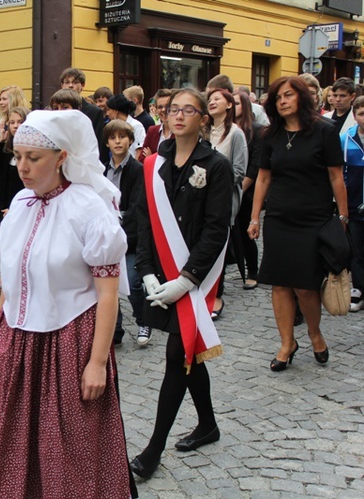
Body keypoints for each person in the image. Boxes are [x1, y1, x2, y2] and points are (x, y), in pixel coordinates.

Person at [0, 109, 134, 497]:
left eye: (34, 158)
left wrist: (97, 363)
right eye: (18, 157)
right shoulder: (20, 205)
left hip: (70, 343)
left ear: (62, 157)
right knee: (17, 439)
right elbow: (12, 283)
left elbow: (108, 294)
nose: (23, 167)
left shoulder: (89, 209)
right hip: (19, 338)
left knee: (72, 448)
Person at [130, 88, 232, 479]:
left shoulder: (216, 166)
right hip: (161, 276)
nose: (179, 116)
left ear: (204, 118)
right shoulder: (154, 163)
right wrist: (147, 270)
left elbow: (215, 230)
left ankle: (153, 450)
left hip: (196, 279)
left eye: (188, 110)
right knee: (188, 354)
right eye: (173, 110)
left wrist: (187, 280)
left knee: (177, 356)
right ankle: (207, 424)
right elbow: (143, 220)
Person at [248, 76, 347, 371]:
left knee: (305, 286)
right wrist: (255, 217)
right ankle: (287, 343)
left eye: (288, 95)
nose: (282, 101)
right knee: (279, 284)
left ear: (302, 97)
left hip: (313, 218)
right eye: (278, 97)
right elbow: (263, 177)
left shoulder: (324, 132)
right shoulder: (270, 135)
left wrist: (342, 217)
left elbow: (335, 176)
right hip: (279, 218)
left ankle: (315, 334)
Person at [103, 119, 150, 346]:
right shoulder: (102, 169)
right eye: (113, 138)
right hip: (107, 235)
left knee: (132, 282)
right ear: (107, 143)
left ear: (130, 141)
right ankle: (116, 329)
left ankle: (143, 320)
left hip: (131, 236)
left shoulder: (137, 170)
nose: (117, 141)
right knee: (109, 283)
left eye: (122, 137)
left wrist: (116, 218)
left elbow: (137, 205)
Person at [206, 88, 248, 317]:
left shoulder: (235, 134)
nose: (211, 102)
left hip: (223, 199)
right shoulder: (203, 131)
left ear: (229, 105)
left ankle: (217, 295)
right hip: (200, 198)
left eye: (217, 99)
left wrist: (214, 179)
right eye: (209, 99)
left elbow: (239, 171)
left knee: (218, 247)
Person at [233, 90, 264, 290]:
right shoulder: (224, 129)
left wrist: (238, 190)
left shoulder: (257, 130)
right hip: (226, 189)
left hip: (247, 191)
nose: (232, 106)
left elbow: (254, 167)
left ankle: (253, 270)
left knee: (245, 233)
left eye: (236, 103)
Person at [341, 95, 364, 311]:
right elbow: (339, 172)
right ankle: (358, 287)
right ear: (355, 116)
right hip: (355, 201)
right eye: (361, 114)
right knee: (356, 248)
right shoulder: (346, 138)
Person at [59, 67, 109, 164]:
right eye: (67, 82)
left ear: (82, 85)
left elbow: (98, 145)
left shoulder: (94, 112)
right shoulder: (56, 111)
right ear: (62, 85)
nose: (70, 85)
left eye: (75, 82)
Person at [0, 106, 29, 227]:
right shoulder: (6, 149)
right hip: (3, 210)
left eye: (20, 122)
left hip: (22, 211)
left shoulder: (30, 151)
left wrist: (15, 209)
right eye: (12, 122)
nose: (15, 126)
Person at [106, 94, 145, 159]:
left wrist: (134, 168)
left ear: (116, 111)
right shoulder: (112, 126)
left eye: (109, 110)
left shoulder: (136, 126)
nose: (107, 113)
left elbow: (139, 151)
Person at [141, 88, 173, 161]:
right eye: (160, 107)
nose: (163, 110)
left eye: (167, 106)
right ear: (156, 109)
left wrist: (151, 157)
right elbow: (142, 159)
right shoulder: (152, 131)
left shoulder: (180, 132)